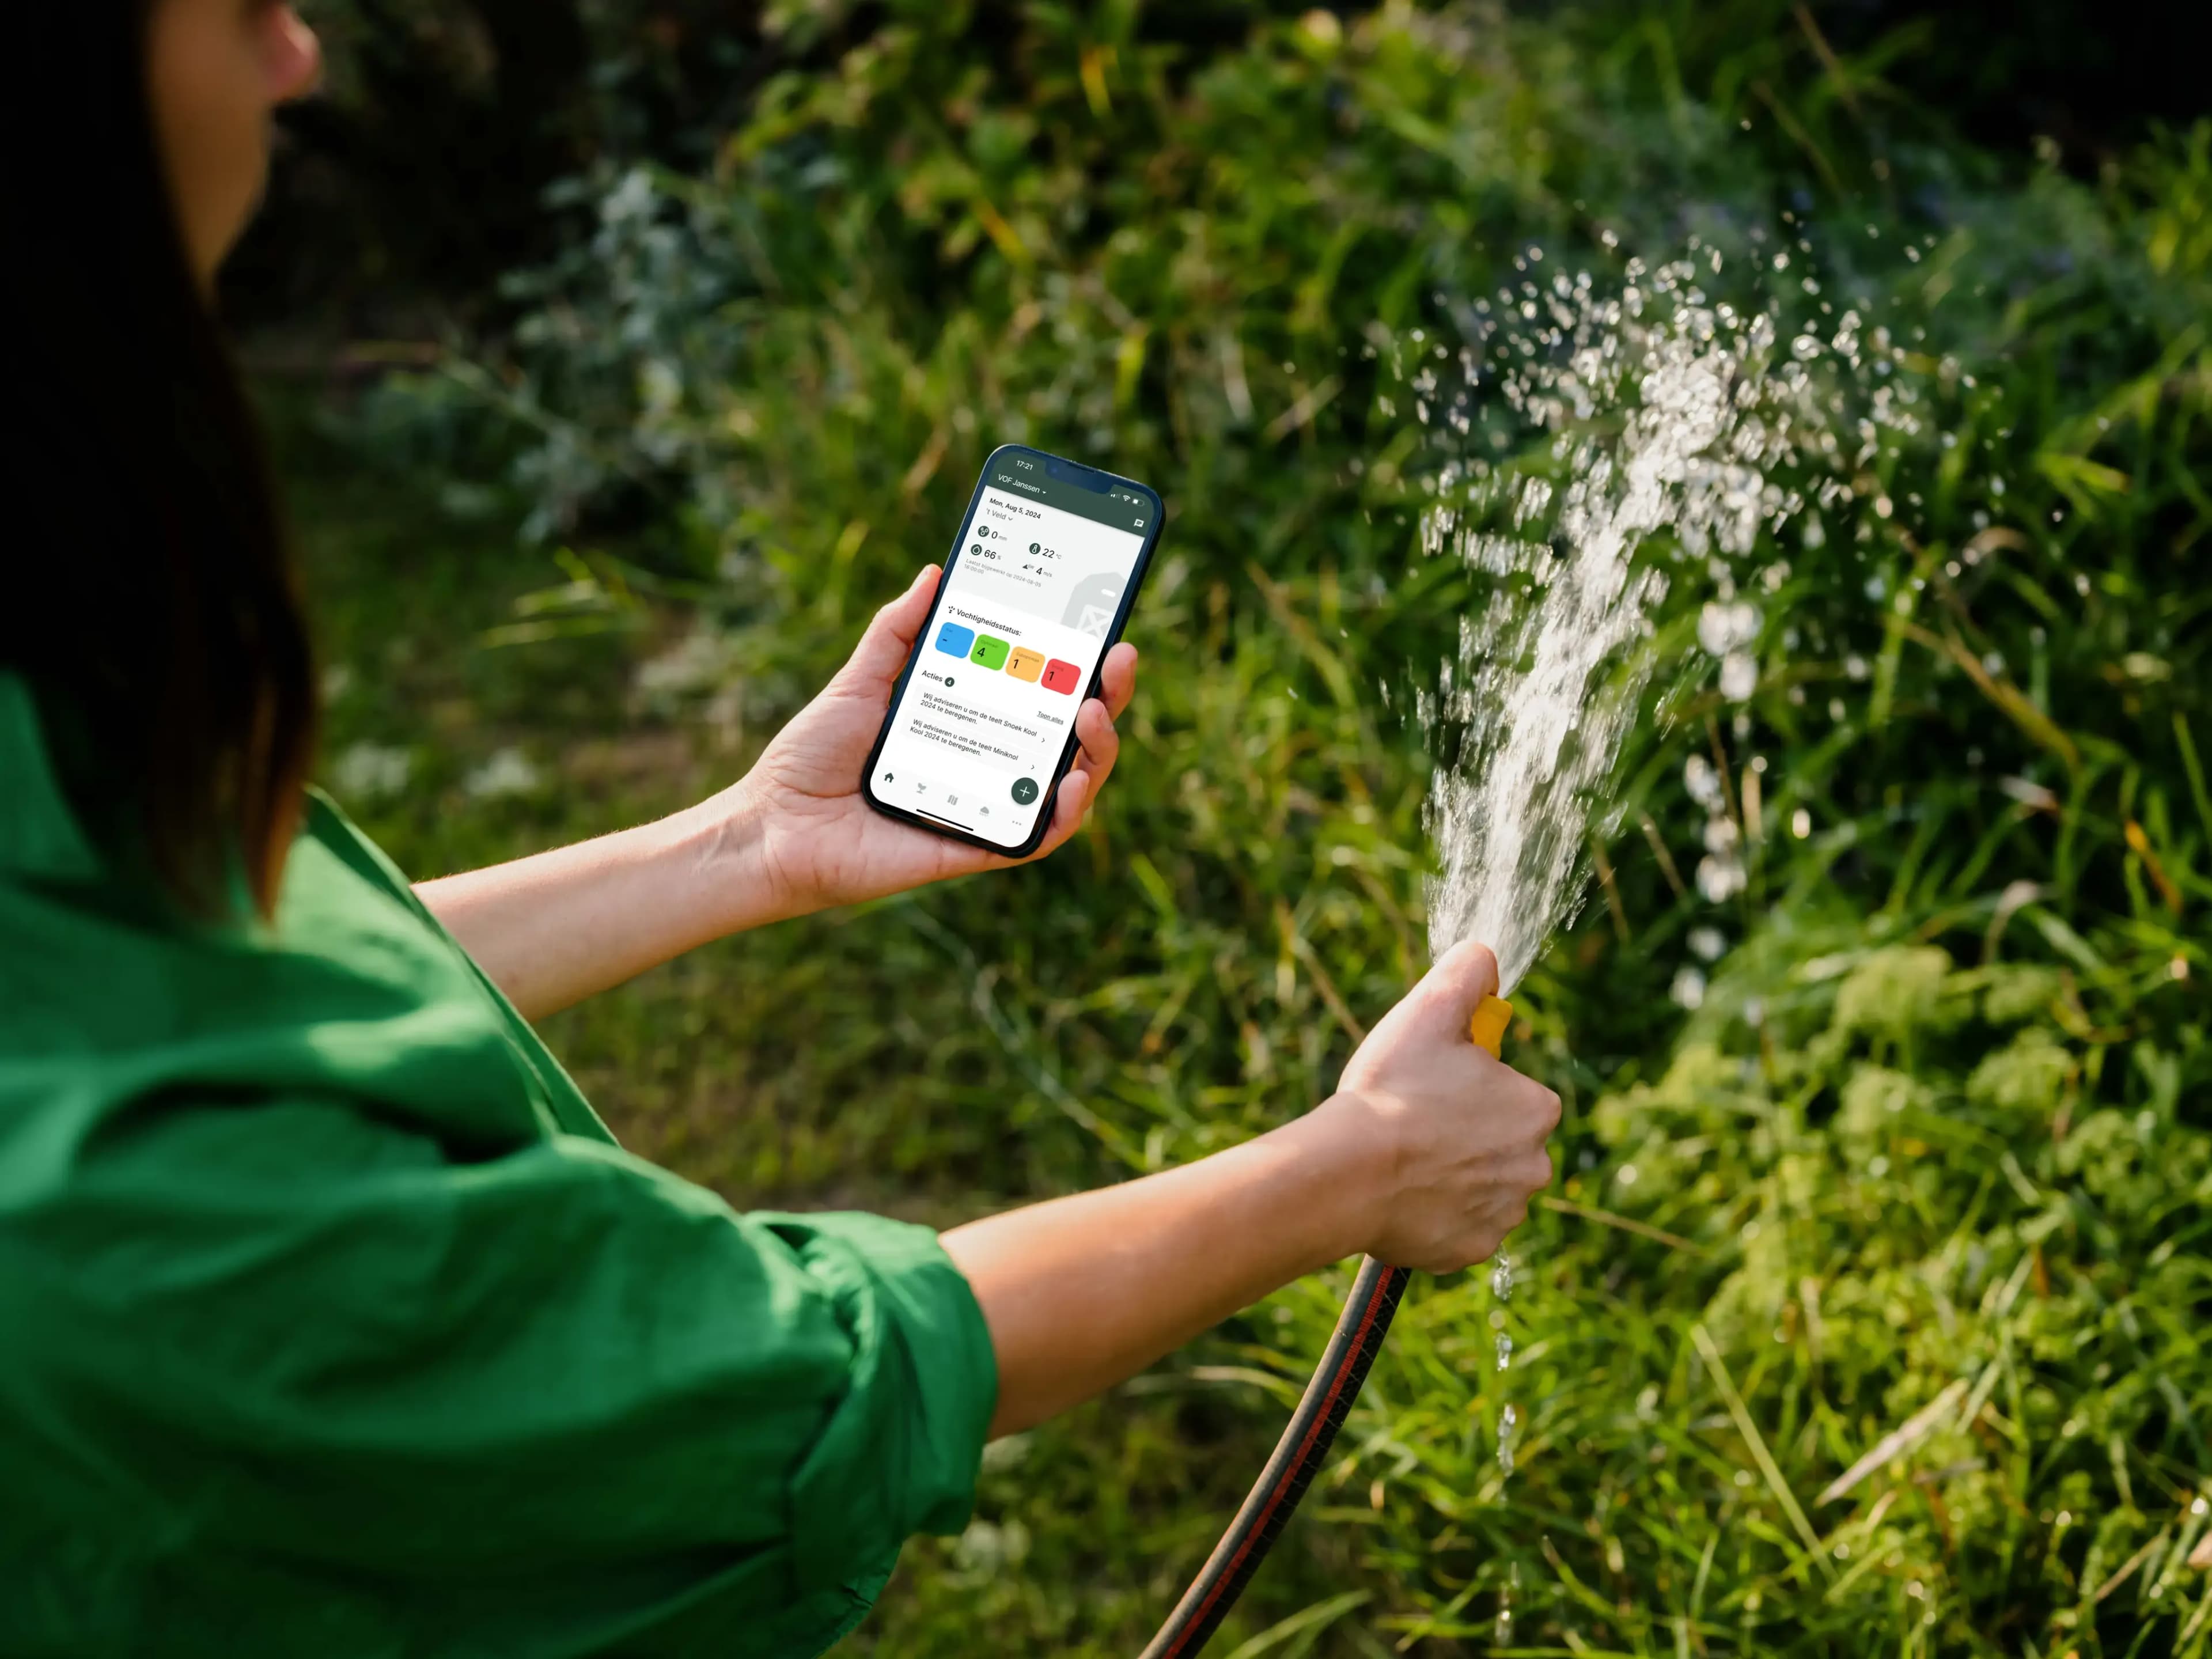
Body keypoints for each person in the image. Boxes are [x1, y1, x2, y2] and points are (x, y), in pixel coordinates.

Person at [0, 3, 1562, 1654]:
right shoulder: (145, 1207)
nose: (301, 53)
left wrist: (749, 842)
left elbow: (244, 984)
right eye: (240, 6)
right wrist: (1355, 1167)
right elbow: (800, 1392)